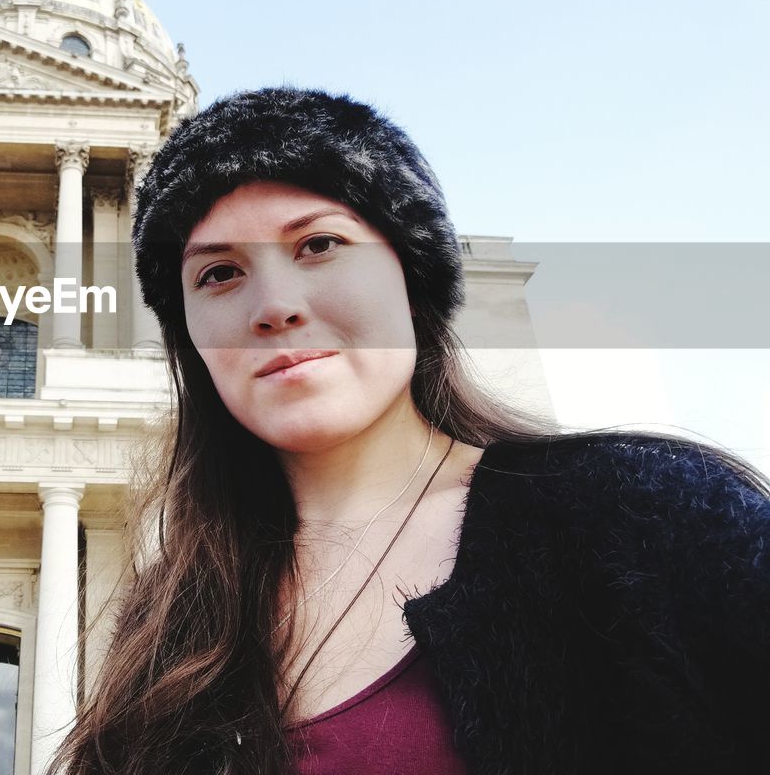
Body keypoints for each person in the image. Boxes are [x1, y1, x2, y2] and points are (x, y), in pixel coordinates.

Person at [49, 87, 770, 774]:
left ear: (413, 275)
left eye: (319, 244)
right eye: (218, 274)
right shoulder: (166, 623)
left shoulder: (648, 517)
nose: (274, 306)